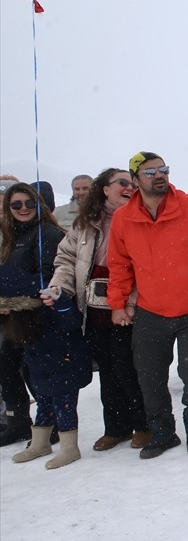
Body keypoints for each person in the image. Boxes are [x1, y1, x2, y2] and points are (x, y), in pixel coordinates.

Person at [106, 153, 188, 459]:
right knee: (149, 377)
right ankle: (162, 432)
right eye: (150, 172)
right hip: (151, 310)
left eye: (163, 170)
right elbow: (119, 264)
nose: (159, 175)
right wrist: (118, 303)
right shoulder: (124, 218)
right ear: (136, 180)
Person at [47, 168, 149, 452]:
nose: (128, 187)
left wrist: (129, 303)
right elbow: (66, 257)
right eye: (121, 183)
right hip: (93, 308)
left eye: (131, 184)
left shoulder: (140, 219)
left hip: (128, 305)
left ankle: (143, 425)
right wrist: (60, 287)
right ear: (105, 189)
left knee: (127, 367)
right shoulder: (85, 223)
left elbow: (146, 267)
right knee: (106, 368)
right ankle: (115, 428)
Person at [2, 266, 92, 469]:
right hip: (40, 367)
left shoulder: (48, 307)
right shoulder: (17, 321)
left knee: (64, 406)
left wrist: (60, 302)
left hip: (65, 364)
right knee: (43, 403)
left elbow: (71, 322)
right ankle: (40, 443)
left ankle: (70, 448)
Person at [0, 184, 66, 447]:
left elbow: (50, 275)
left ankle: (52, 422)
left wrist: (18, 298)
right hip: (14, 315)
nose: (24, 209)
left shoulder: (48, 234)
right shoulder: (11, 236)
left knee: (37, 371)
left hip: (41, 314)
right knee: (7, 366)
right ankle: (18, 421)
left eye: (29, 203)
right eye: (17, 205)